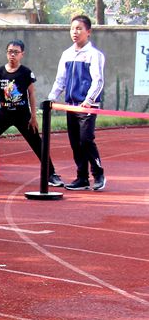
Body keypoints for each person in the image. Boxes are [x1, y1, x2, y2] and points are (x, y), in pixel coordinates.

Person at [0, 40, 63, 186]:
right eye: (10, 51)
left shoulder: (25, 72)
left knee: (37, 143)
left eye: (16, 52)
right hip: (5, 114)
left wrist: (33, 116)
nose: (12, 55)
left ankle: (51, 174)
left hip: (23, 115)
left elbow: (32, 93)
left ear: (22, 54)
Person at [47, 14, 106, 191]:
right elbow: (60, 80)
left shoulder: (95, 55)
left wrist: (88, 101)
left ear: (88, 32)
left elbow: (98, 81)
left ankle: (98, 173)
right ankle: (82, 177)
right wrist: (51, 97)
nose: (75, 32)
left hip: (87, 106)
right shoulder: (67, 54)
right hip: (70, 105)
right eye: (73, 28)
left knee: (86, 140)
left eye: (79, 28)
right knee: (75, 142)